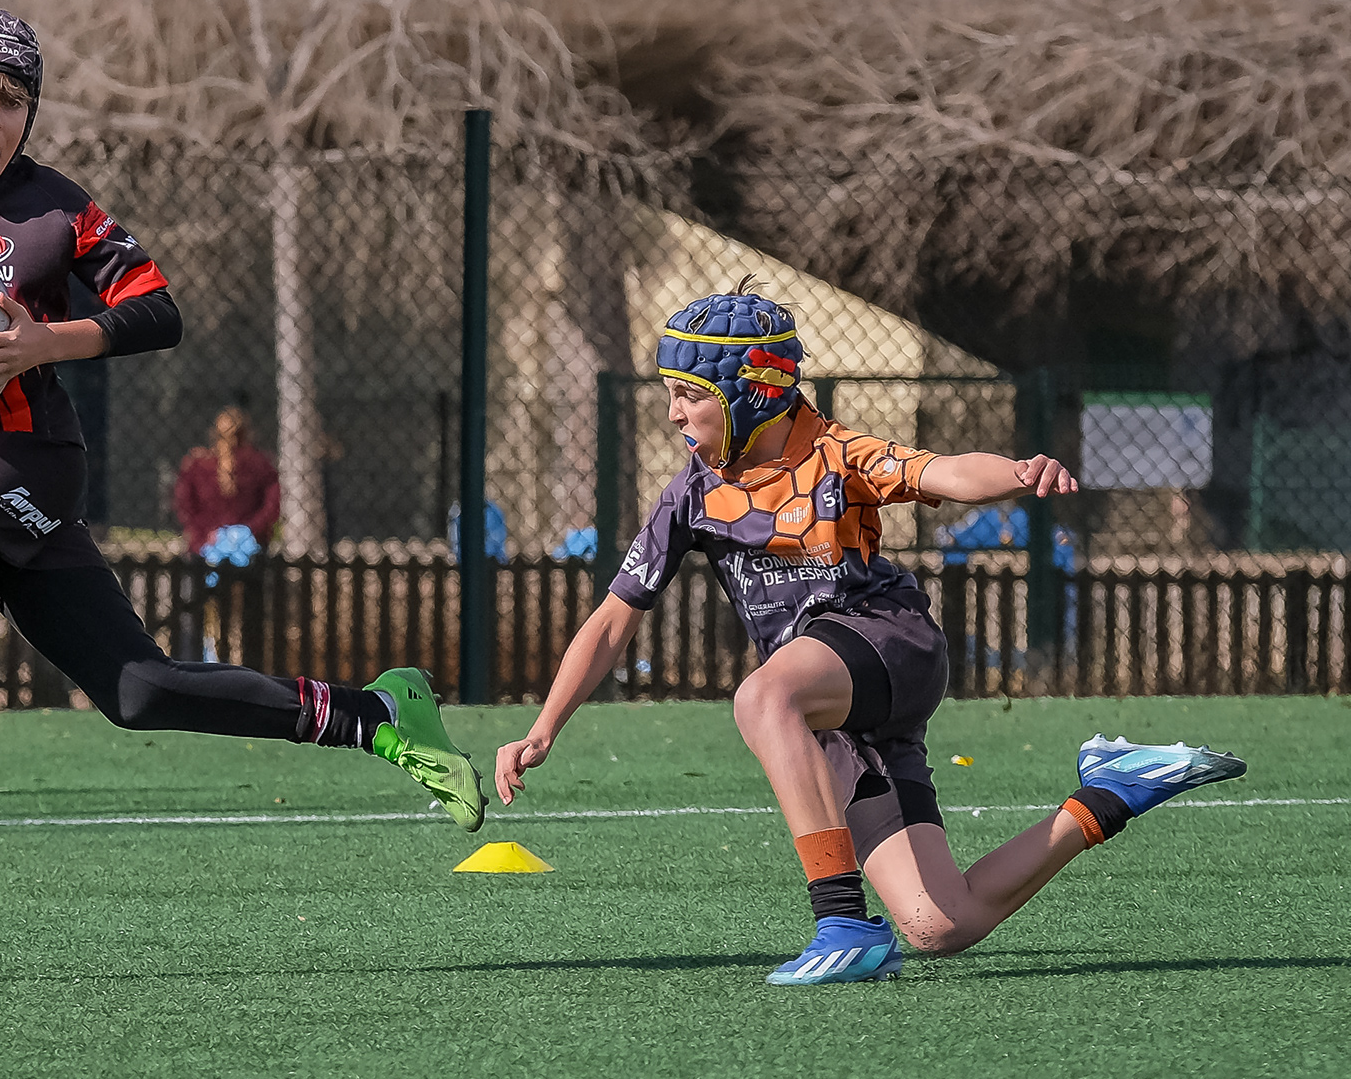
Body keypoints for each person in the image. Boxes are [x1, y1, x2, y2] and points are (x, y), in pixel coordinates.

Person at [0, 6, 483, 937]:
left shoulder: (55, 209)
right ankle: (377, 714)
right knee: (137, 691)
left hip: (25, 458)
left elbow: (158, 310)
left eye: (11, 101)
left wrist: (44, 342)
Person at [494, 282, 1245, 985]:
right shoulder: (691, 495)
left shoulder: (837, 455)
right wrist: (543, 728)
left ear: (752, 392)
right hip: (829, 710)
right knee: (939, 924)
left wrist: (1019, 472)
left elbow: (945, 473)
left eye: (688, 395)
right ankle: (1113, 789)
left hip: (888, 644)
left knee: (762, 699)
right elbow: (613, 618)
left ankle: (842, 923)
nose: (672, 414)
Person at [173, 407, 280, 556]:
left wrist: (208, 534)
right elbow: (272, 505)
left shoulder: (197, 465)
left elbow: (185, 506)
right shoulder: (261, 464)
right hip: (247, 544)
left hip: (218, 544)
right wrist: (249, 530)